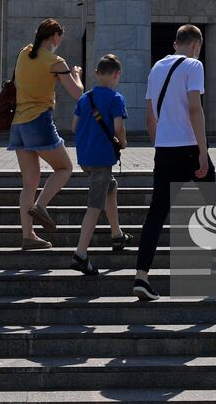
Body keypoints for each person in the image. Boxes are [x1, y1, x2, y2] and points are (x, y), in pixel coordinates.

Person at [133, 23, 216, 301]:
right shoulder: (193, 66)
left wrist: (160, 147)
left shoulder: (155, 69)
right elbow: (195, 108)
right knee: (214, 205)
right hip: (190, 148)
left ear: (176, 42)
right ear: (196, 46)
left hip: (164, 150)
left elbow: (149, 118)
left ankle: (141, 277)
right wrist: (203, 151)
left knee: (156, 214)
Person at [7, 17, 83, 250]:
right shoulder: (56, 62)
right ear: (55, 37)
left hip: (17, 125)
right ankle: (41, 206)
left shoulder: (23, 53)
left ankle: (28, 236)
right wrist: (76, 73)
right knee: (65, 168)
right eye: (61, 37)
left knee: (29, 183)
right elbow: (78, 93)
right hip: (38, 122)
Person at [68, 53, 132, 275]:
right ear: (117, 75)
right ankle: (80, 255)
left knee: (110, 187)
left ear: (96, 74)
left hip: (85, 158)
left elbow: (74, 126)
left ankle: (117, 235)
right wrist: (122, 142)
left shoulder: (85, 98)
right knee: (94, 205)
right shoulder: (116, 98)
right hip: (102, 159)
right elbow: (117, 129)